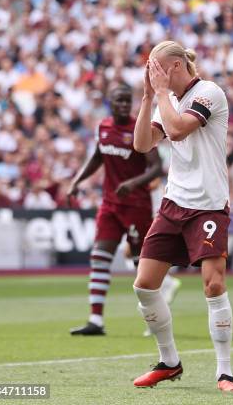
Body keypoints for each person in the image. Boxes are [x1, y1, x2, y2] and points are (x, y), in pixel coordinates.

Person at [131, 40, 233, 392]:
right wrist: (149, 97)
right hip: (173, 203)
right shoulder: (166, 101)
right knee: (145, 285)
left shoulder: (210, 93)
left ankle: (224, 372)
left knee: (213, 283)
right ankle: (169, 362)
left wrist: (161, 95)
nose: (153, 74)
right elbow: (142, 145)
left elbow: (178, 129)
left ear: (176, 66)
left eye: (156, 68)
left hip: (208, 204)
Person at [69, 85, 180, 337]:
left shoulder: (139, 128)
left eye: (126, 101)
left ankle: (156, 319)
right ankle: (96, 320)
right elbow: (97, 157)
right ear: (110, 102)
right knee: (99, 257)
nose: (122, 105)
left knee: (143, 264)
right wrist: (77, 181)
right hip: (109, 205)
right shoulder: (104, 127)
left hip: (136, 206)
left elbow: (156, 167)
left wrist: (133, 183)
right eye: (118, 100)